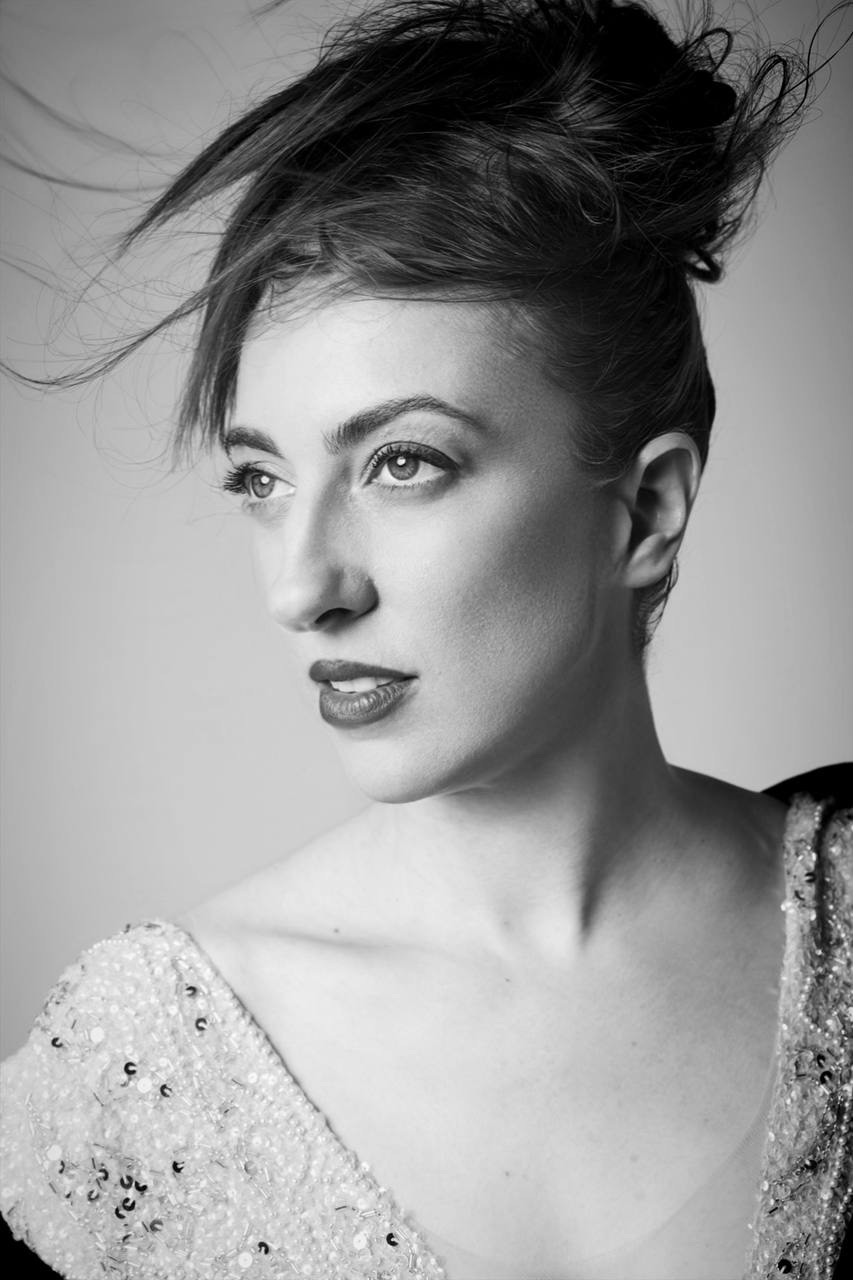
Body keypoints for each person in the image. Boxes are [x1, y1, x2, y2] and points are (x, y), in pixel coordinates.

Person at [1, 1, 850, 1276]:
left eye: (402, 460)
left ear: (649, 509)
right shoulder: (137, 1075)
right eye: (260, 479)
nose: (304, 587)